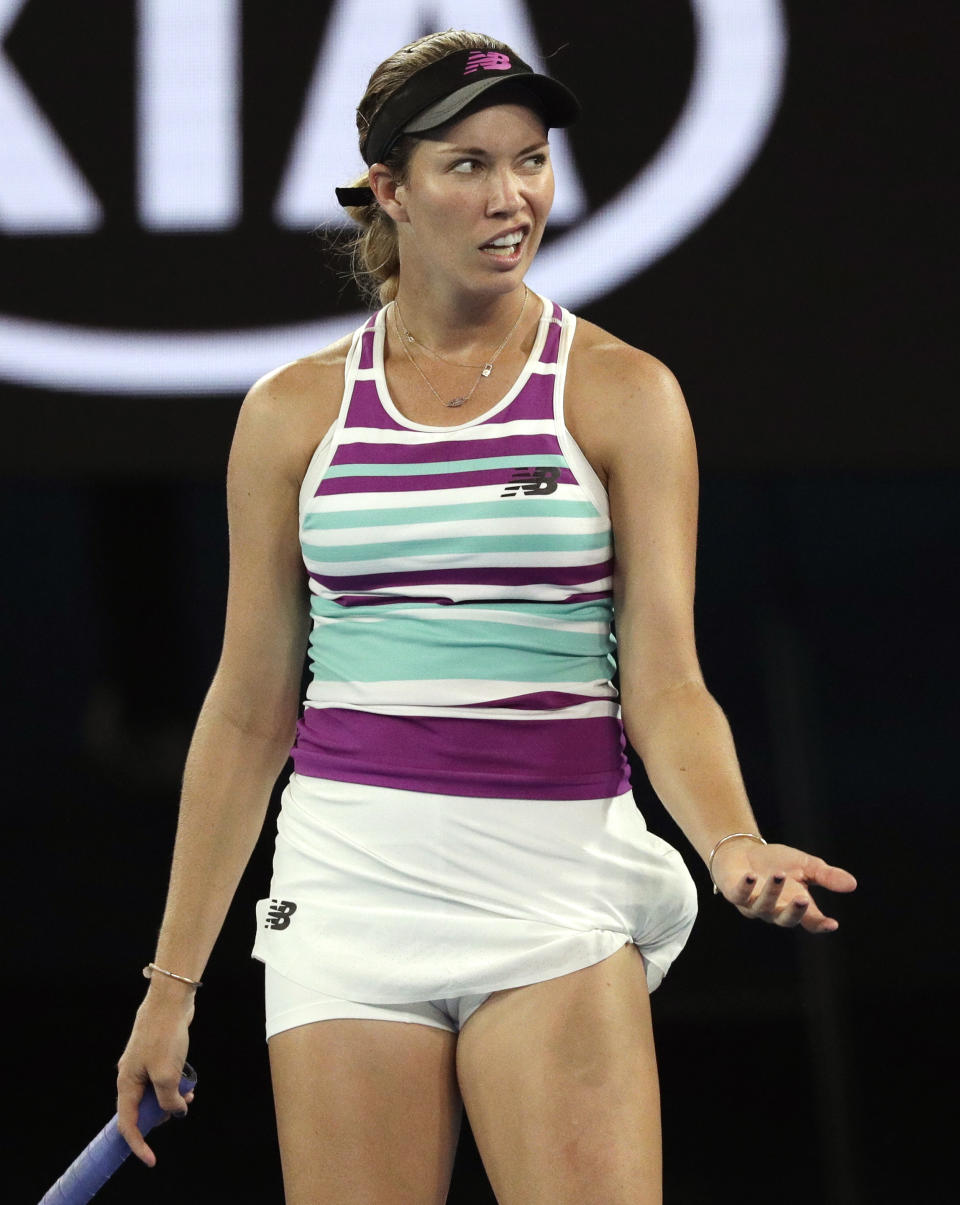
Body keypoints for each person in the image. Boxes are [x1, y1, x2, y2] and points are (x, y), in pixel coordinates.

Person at [116, 29, 857, 1204]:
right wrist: (173, 982)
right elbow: (250, 706)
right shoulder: (292, 412)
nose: (513, 196)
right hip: (349, 887)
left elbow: (665, 677)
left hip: (553, 888)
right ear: (389, 190)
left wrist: (730, 839)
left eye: (531, 159)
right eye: (468, 164)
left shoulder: (622, 391)